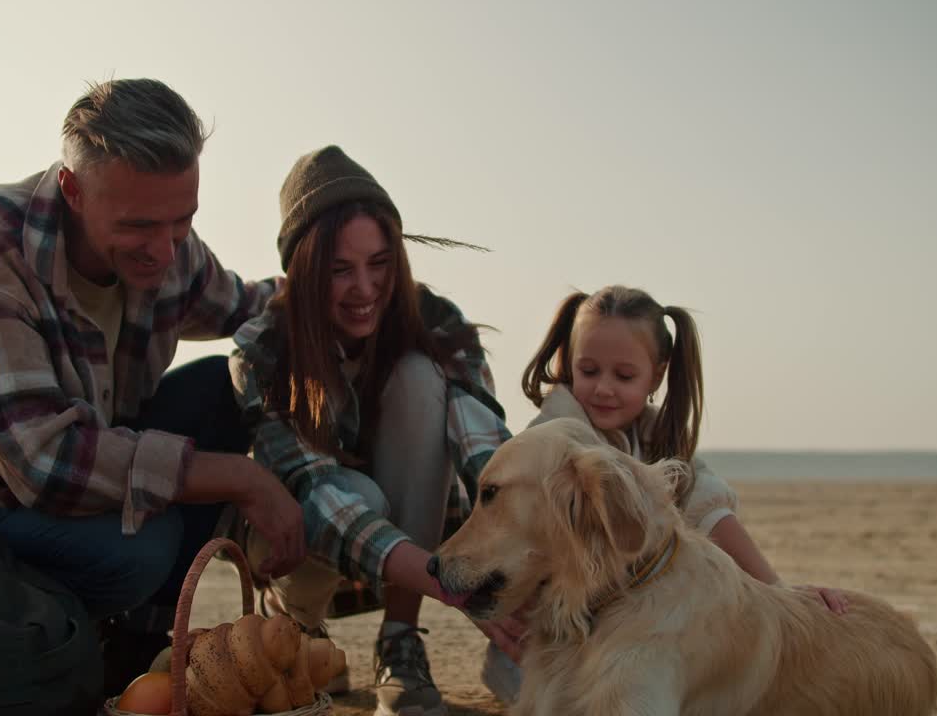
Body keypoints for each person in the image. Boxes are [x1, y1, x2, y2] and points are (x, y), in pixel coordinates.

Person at [0, 78, 306, 696]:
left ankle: (135, 656)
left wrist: (353, 289)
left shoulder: (170, 248)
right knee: (142, 548)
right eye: (140, 226)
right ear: (73, 190)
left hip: (55, 485)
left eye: (182, 221)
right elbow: (45, 463)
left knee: (220, 388)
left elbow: (254, 306)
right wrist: (243, 477)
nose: (165, 252)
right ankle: (47, 639)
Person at [228, 145, 520, 716]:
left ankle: (399, 640)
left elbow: (483, 447)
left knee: (420, 375)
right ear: (302, 271)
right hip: (303, 535)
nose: (365, 288)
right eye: (340, 270)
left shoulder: (435, 320)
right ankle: (296, 624)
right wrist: (451, 585)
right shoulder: (262, 347)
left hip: (417, 516)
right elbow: (319, 497)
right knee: (354, 494)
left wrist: (507, 557)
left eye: (380, 263)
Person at [480, 284, 850, 704]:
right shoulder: (550, 447)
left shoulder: (660, 442)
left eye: (623, 376)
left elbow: (713, 515)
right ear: (569, 363)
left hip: (623, 636)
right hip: (541, 647)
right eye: (589, 371)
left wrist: (779, 589)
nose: (603, 388)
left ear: (656, 375)